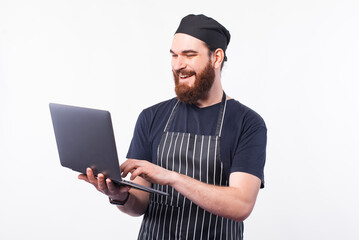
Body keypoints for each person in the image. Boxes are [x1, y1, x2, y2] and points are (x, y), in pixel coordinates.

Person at [78, 14, 267, 239]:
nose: (178, 65)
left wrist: (172, 177)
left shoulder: (247, 123)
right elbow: (139, 204)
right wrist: (121, 196)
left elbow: (241, 205)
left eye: (189, 55)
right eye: (174, 55)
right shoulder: (152, 117)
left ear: (216, 58)